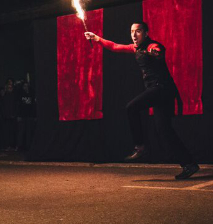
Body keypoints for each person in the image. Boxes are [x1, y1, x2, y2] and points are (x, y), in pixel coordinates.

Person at [85, 22, 199, 179]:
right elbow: (115, 46)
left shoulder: (152, 45)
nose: (134, 34)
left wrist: (154, 52)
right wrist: (97, 38)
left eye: (138, 31)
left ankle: (140, 147)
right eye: (132, 31)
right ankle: (189, 164)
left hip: (161, 89)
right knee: (165, 131)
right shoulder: (135, 48)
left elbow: (157, 50)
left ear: (146, 33)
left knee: (131, 108)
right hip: (160, 92)